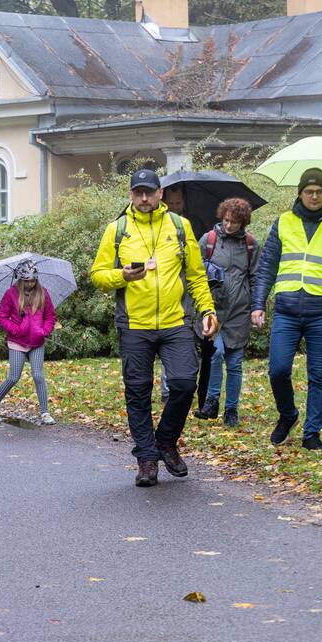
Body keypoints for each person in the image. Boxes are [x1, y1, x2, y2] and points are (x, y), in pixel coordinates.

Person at [90, 169, 218, 487]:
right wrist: (122, 276)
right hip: (135, 324)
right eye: (138, 193)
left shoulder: (179, 226)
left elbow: (196, 275)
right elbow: (97, 275)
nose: (144, 198)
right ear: (131, 195)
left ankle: (165, 440)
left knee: (184, 383)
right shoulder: (117, 230)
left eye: (150, 192)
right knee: (138, 391)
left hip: (175, 321)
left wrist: (207, 309)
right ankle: (147, 458)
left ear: (161, 193)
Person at [251, 168, 322, 450]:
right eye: (309, 191)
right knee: (277, 370)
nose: (314, 196)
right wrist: (258, 304)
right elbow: (267, 266)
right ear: (299, 194)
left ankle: (312, 433)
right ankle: (288, 415)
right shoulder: (283, 222)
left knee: (318, 375)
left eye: (319, 192)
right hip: (287, 310)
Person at [193, 198, 259, 427]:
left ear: (243, 222)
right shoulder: (208, 240)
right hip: (214, 309)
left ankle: (231, 410)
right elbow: (195, 271)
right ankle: (211, 401)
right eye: (226, 220)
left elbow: (255, 277)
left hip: (239, 311)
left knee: (235, 364)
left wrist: (257, 307)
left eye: (234, 222)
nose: (229, 225)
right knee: (217, 353)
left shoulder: (250, 244)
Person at [160, 183, 215, 409]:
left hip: (192, 296)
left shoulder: (190, 226)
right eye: (170, 203)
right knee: (170, 343)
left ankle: (194, 391)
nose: (174, 206)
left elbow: (197, 266)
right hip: (170, 298)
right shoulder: (161, 227)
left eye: (177, 203)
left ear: (184, 202)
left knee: (192, 347)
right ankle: (167, 392)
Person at [0, 260, 57, 425]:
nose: (30, 284)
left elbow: (50, 316)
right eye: (26, 281)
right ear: (20, 278)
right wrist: (16, 330)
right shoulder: (11, 294)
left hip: (36, 341)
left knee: (38, 375)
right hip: (17, 341)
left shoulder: (43, 293)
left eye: (33, 280)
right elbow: (2, 317)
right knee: (13, 377)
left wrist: (44, 331)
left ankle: (45, 412)